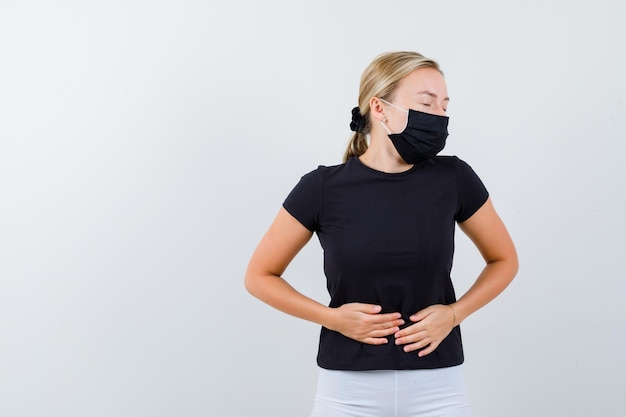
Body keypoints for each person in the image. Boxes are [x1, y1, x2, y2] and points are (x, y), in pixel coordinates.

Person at [244, 51, 518, 417]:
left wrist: (454, 314)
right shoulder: (321, 188)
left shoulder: (454, 178)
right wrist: (333, 318)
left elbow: (504, 260)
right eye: (426, 102)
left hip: (438, 386)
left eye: (444, 105)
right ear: (380, 108)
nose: (439, 115)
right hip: (347, 390)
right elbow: (259, 276)